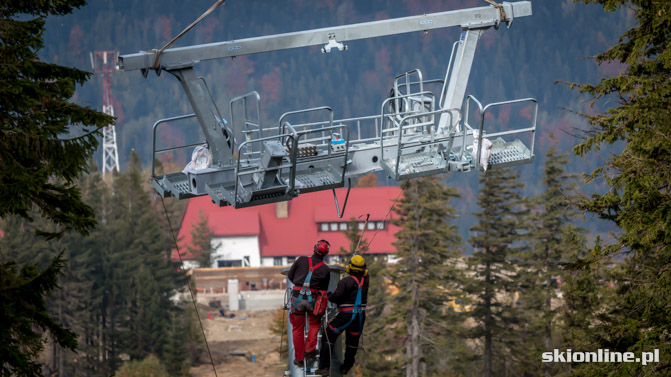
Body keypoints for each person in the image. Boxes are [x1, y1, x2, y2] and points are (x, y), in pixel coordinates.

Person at [316, 255, 369, 376]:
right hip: (360, 317)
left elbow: (336, 297)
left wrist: (329, 296)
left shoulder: (345, 282)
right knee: (352, 342)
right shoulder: (365, 280)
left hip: (346, 315)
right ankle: (346, 367)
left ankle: (324, 367)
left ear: (350, 267)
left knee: (328, 335)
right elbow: (365, 273)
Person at [287, 239, 331, 368]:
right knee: (314, 324)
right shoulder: (325, 269)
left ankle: (299, 359)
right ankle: (309, 350)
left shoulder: (301, 260)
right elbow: (324, 289)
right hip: (313, 300)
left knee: (297, 329)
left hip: (297, 299)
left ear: (314, 248)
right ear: (325, 254)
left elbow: (290, 276)